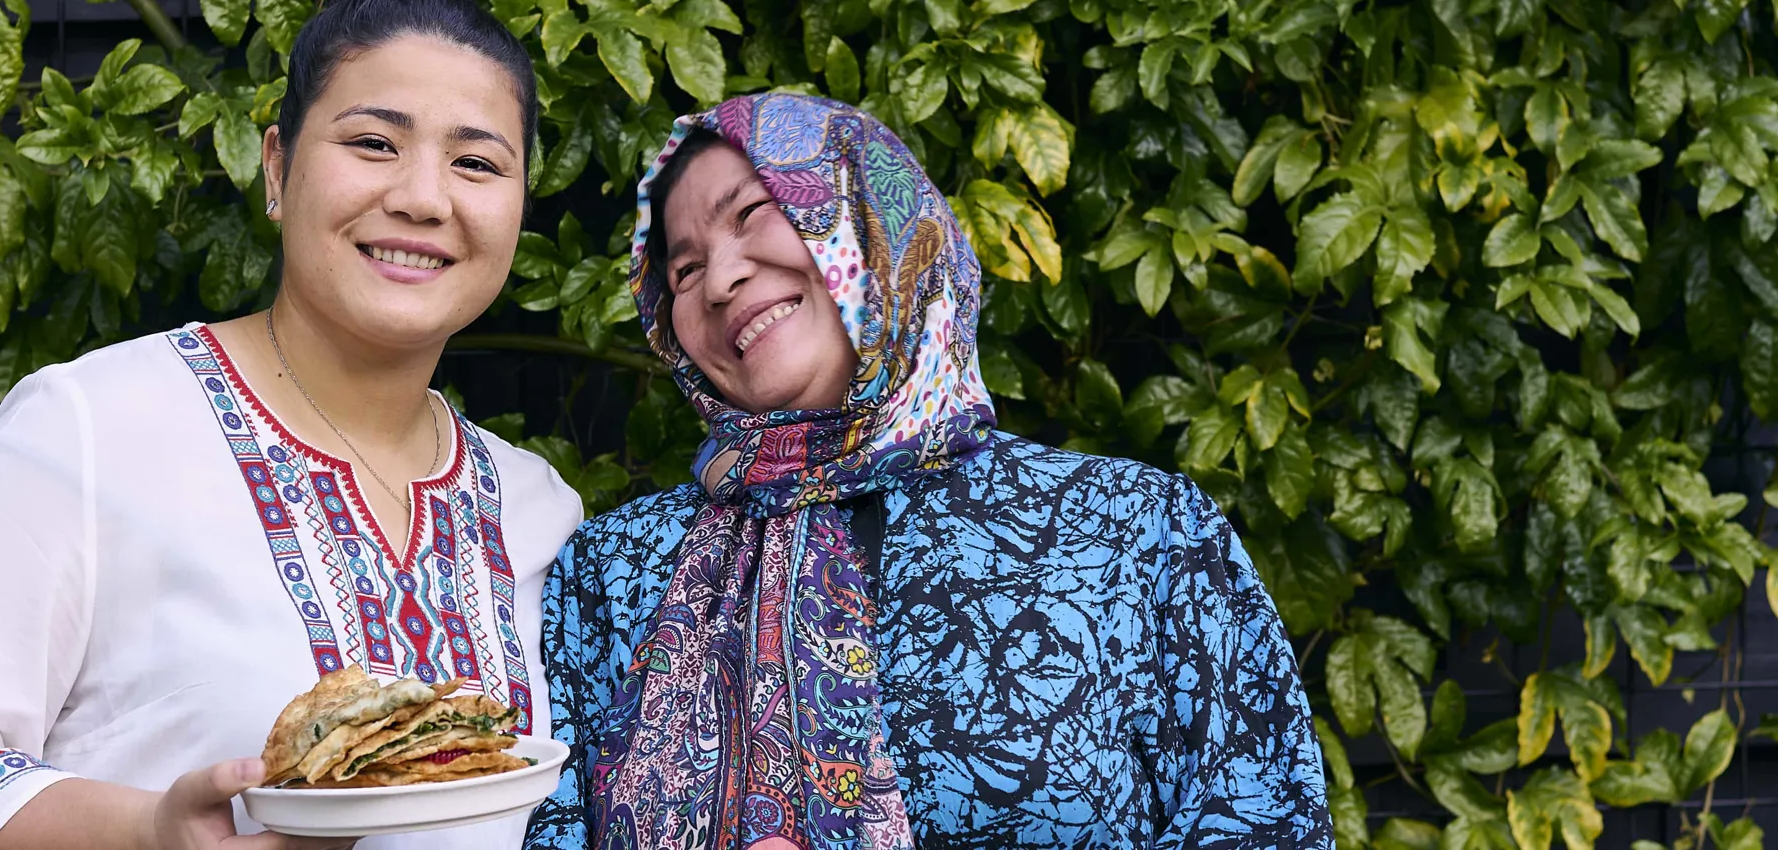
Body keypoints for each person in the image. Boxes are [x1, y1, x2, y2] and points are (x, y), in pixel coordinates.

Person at [0, 1, 581, 848]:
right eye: (373, 144)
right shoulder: (95, 428)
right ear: (277, 168)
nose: (424, 198)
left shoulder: (535, 510)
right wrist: (144, 833)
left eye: (476, 162)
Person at [528, 93, 1331, 849]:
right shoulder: (612, 572)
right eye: (683, 271)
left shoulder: (1136, 531)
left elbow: (1263, 819)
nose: (723, 278)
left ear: (872, 223)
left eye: (754, 214)